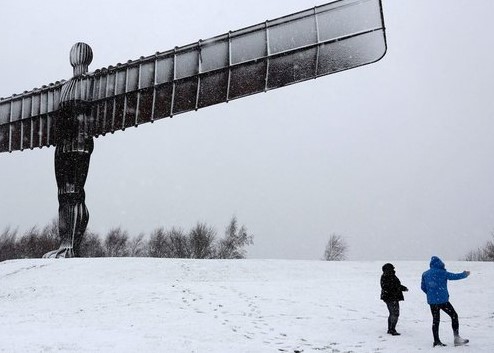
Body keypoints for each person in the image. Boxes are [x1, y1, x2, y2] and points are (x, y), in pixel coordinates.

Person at [421, 256, 470, 347]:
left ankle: (436, 341)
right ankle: (456, 338)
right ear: (440, 263)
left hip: (432, 302)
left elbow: (423, 287)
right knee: (454, 315)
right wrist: (464, 274)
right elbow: (454, 276)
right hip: (443, 300)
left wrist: (431, 294)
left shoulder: (425, 274)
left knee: (436, 320)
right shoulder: (443, 273)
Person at [380, 263, 408, 336]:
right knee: (395, 313)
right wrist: (399, 289)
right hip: (391, 298)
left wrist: (402, 288)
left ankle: (390, 329)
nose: (393, 269)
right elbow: (389, 287)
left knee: (392, 313)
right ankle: (392, 329)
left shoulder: (388, 276)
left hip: (390, 297)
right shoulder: (387, 276)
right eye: (392, 268)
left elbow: (394, 286)